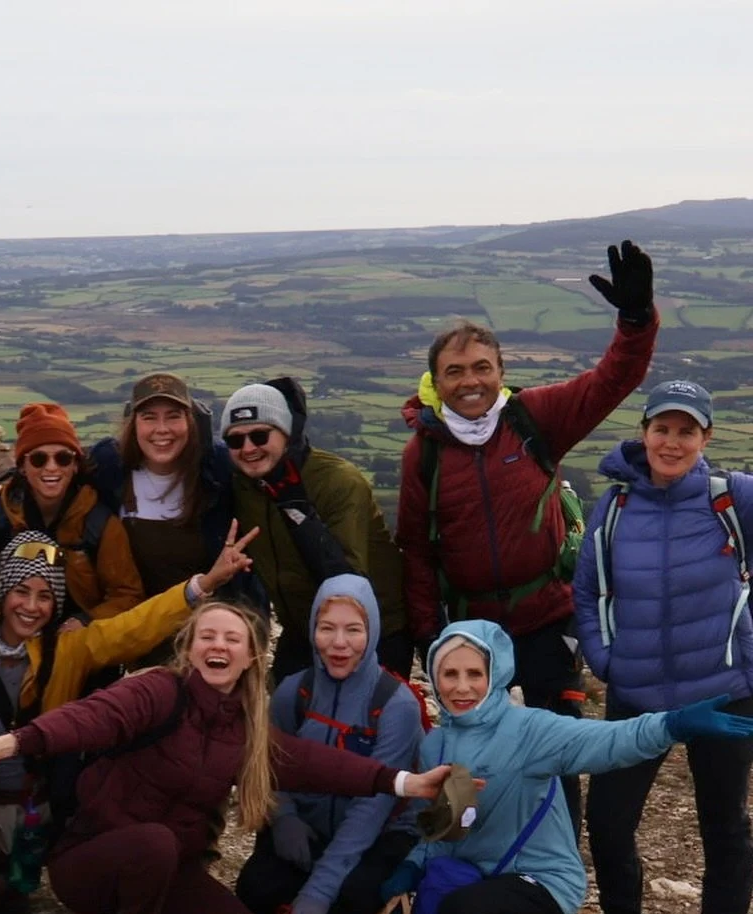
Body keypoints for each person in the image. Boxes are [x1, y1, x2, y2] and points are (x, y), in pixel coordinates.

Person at [0, 600, 454, 914]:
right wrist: (6, 744)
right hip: (92, 862)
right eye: (207, 636)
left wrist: (409, 784)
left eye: (232, 638)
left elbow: (319, 764)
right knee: (154, 842)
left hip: (166, 869)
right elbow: (90, 717)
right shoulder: (159, 691)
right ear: (191, 647)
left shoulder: (245, 728)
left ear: (250, 657)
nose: (217, 646)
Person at [395, 241, 659, 828]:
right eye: (455, 371)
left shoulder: (531, 419)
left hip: (544, 615)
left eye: (482, 368)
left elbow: (612, 380)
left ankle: (555, 870)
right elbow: (415, 551)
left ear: (501, 373)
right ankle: (470, 848)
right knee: (467, 748)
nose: (471, 382)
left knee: (558, 746)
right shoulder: (424, 456)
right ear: (436, 381)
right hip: (469, 623)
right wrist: (428, 636)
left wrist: (636, 321)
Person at [386, 621, 753, 914]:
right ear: (434, 677)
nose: (461, 687)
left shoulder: (529, 729)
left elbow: (608, 741)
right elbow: (439, 828)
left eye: (475, 673)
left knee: (462, 911)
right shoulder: (435, 746)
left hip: (539, 878)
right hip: (477, 880)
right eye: (450, 674)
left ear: (496, 675)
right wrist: (412, 866)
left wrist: (671, 725)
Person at [0, 524, 255, 907]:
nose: (32, 607)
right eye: (21, 591)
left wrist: (203, 584)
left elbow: (133, 627)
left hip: (38, 802)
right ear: (3, 591)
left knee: (12, 895)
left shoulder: (69, 647)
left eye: (45, 596)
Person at [573, 380, 753, 914]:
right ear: (644, 432)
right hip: (638, 690)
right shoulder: (616, 508)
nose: (672, 442)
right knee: (610, 815)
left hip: (724, 687)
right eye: (662, 428)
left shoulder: (735, 500)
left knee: (721, 818)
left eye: (687, 430)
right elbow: (590, 589)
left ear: (706, 438)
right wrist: (606, 660)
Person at [235, 576, 423, 914]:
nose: (339, 643)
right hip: (310, 828)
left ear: (371, 632)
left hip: (375, 836)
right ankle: (310, 913)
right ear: (311, 631)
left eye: (353, 630)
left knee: (359, 892)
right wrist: (283, 816)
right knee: (254, 888)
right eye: (327, 628)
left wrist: (320, 891)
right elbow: (267, 765)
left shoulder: (395, 705)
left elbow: (373, 808)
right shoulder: (293, 692)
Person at [221, 381, 410, 679]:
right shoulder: (244, 486)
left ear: (286, 432)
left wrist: (298, 512)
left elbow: (349, 580)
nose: (248, 448)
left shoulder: (337, 481)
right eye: (235, 441)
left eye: (260, 435)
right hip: (301, 629)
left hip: (373, 635)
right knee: (281, 720)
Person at [0, 403, 143, 627]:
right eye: (39, 459)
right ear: (22, 467)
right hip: (17, 630)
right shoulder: (2, 512)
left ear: (75, 466)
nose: (51, 467)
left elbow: (127, 594)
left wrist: (86, 620)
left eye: (63, 458)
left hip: (76, 641)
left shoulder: (98, 523)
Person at [88, 372, 235, 602]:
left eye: (173, 416)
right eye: (149, 417)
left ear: (190, 421)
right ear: (133, 424)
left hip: (202, 625)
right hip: (129, 625)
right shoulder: (109, 468)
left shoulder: (218, 471)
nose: (162, 429)